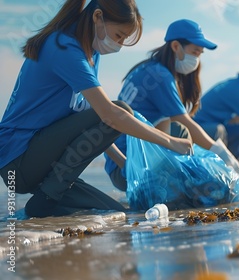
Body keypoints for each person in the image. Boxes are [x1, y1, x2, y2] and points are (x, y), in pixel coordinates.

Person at [0, 0, 193, 218]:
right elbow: (110, 115)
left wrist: (125, 165)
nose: (119, 45)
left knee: (116, 214)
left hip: (46, 162)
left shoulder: (90, 53)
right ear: (98, 17)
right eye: (119, 35)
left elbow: (93, 122)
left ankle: (47, 200)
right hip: (19, 160)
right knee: (120, 110)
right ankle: (48, 197)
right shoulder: (62, 46)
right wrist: (170, 142)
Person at [104, 19, 239, 191]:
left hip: (122, 165)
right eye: (194, 52)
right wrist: (226, 158)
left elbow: (162, 126)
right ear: (176, 46)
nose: (197, 59)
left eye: (200, 54)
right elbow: (183, 122)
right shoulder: (159, 75)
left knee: (185, 138)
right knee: (185, 132)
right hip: (129, 168)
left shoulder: (149, 69)